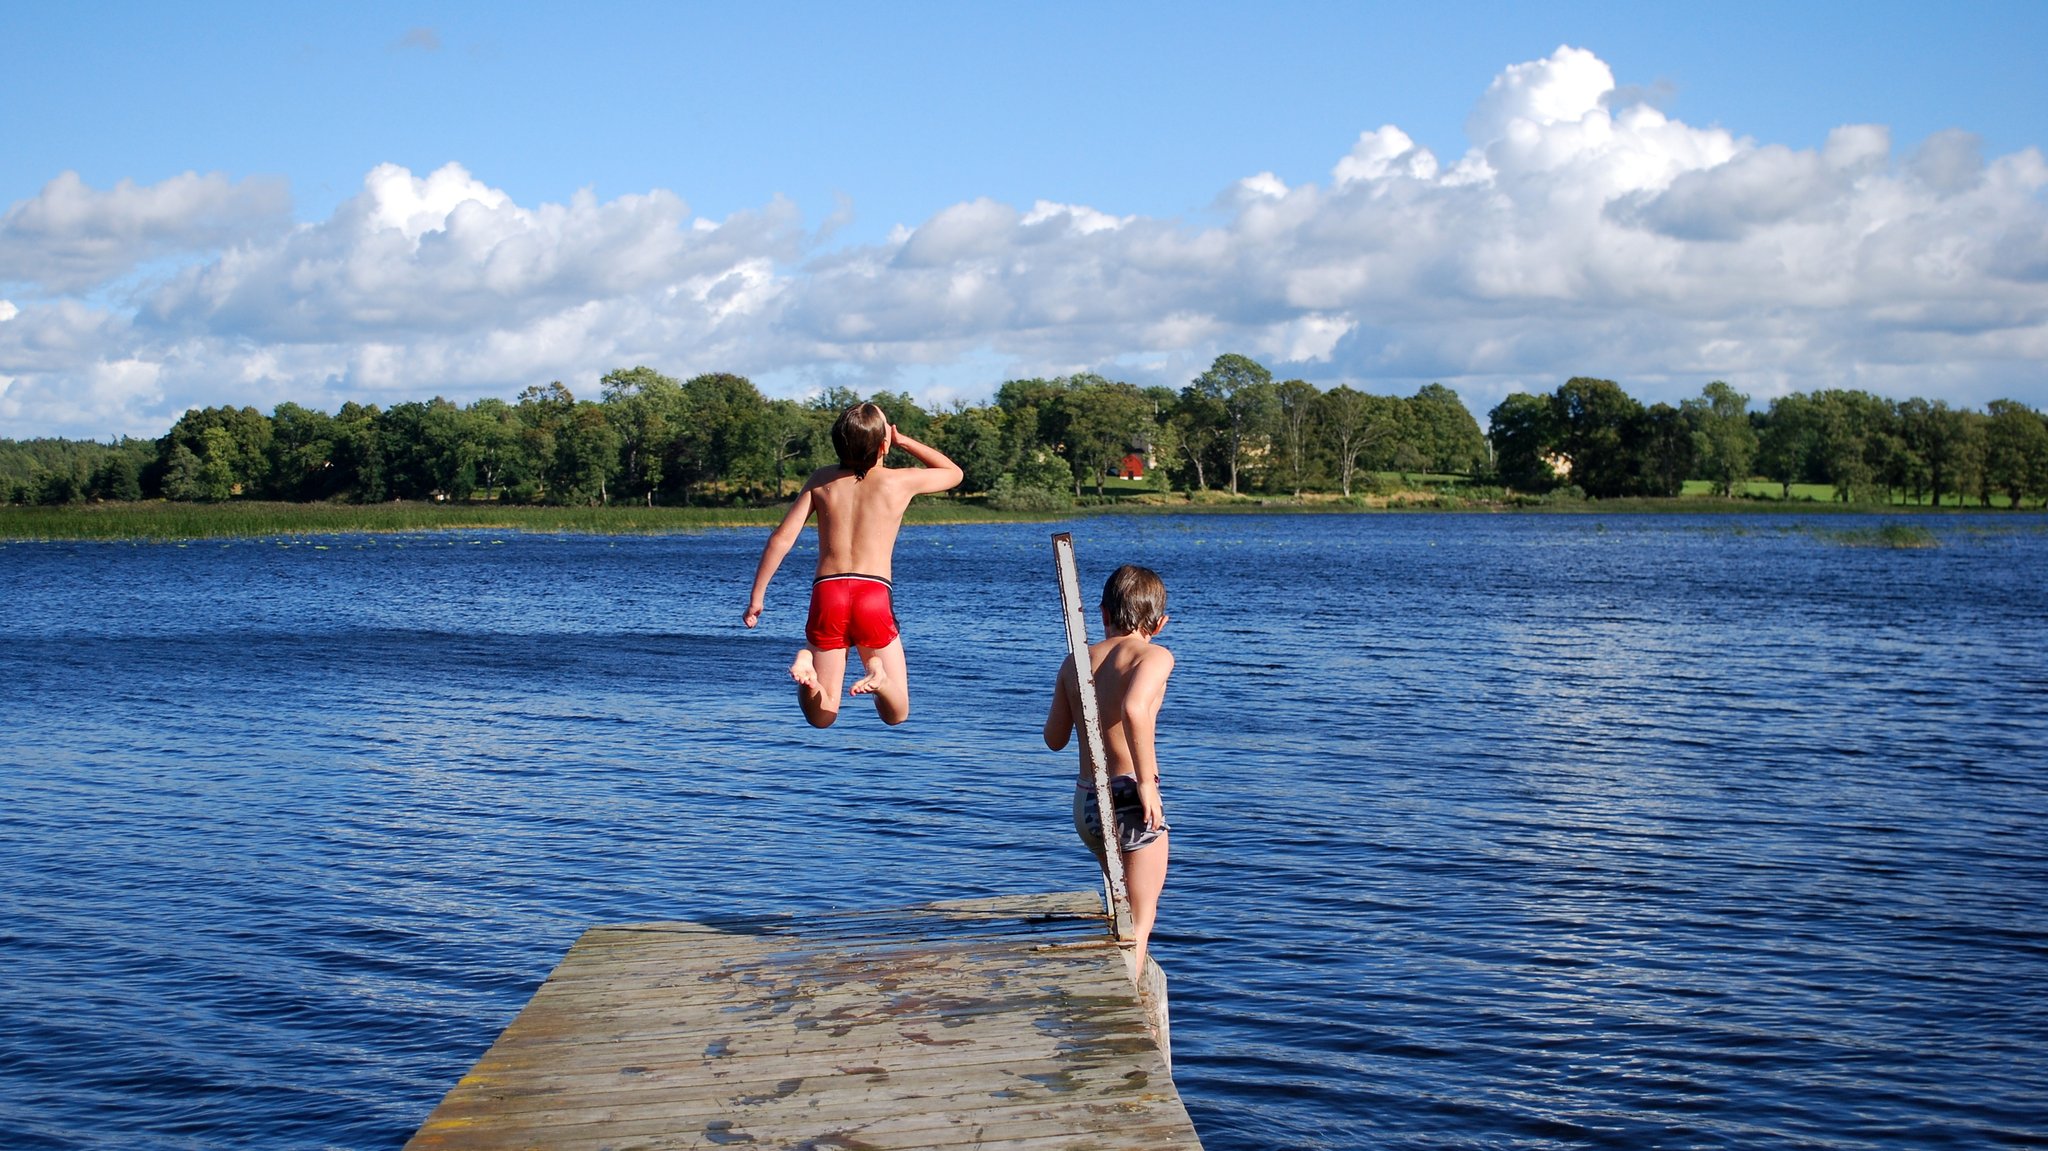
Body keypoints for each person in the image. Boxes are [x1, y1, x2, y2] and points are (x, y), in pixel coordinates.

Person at [744, 402, 962, 727]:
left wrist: (757, 599)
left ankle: (808, 672)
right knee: (897, 713)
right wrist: (905, 441)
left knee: (823, 716)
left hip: (828, 593)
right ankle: (880, 678)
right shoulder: (899, 481)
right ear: (884, 443)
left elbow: (781, 539)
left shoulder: (821, 480)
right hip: (872, 592)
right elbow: (954, 473)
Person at [1044, 564, 1175, 979]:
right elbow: (1134, 709)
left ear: (1103, 614)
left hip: (1086, 801)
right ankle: (1129, 1005)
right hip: (1128, 798)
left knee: (1122, 911)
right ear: (1160, 622)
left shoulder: (1075, 662)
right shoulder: (1155, 655)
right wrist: (1147, 785)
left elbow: (1054, 738)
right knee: (1139, 918)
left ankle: (1116, 982)